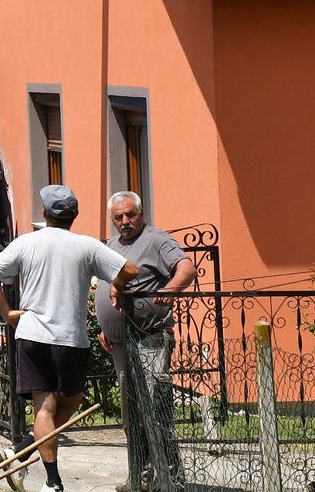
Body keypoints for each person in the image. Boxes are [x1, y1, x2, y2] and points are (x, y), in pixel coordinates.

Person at [0, 185, 139, 492]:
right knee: (69, 401)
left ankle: (21, 453)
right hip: (70, 337)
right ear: (74, 216)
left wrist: (7, 313)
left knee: (46, 409)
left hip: (32, 334)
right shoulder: (86, 246)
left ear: (45, 214)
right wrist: (116, 284)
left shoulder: (26, 243)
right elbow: (130, 269)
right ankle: (53, 482)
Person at [95, 192, 194, 492]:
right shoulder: (111, 246)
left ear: (141, 213)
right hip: (119, 342)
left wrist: (173, 287)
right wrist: (106, 326)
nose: (124, 222)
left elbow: (187, 268)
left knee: (155, 408)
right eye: (118, 217)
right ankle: (137, 476)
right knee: (131, 412)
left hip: (150, 338)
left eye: (130, 215)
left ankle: (169, 477)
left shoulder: (156, 240)